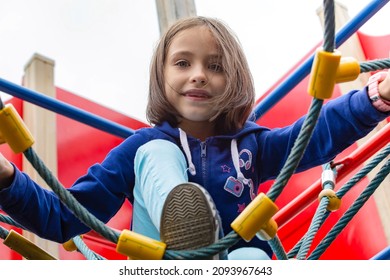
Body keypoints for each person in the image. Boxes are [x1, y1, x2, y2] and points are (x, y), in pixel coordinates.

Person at [0, 16, 389, 260]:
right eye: (183, 63)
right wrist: (8, 180)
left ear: (233, 79)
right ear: (161, 78)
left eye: (215, 66)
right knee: (155, 150)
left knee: (250, 259)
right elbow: (67, 213)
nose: (199, 74)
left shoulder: (253, 145)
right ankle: (179, 214)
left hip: (232, 261)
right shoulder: (139, 147)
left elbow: (313, 135)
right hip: (162, 260)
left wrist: (373, 98)